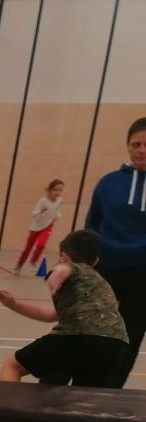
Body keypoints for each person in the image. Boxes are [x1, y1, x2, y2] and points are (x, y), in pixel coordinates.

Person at [0, 228, 128, 387]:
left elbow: (65, 269)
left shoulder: (70, 267)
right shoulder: (100, 282)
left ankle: (8, 403)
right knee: (86, 396)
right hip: (115, 344)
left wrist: (58, 273)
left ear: (63, 256)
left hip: (77, 337)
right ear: (96, 261)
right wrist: (13, 305)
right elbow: (51, 315)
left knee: (13, 366)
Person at [85, 118, 146, 387]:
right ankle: (84, 385)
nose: (142, 150)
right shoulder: (108, 183)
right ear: (128, 146)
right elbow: (92, 224)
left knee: (131, 333)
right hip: (106, 268)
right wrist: (82, 263)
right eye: (136, 144)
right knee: (92, 328)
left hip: (143, 274)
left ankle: (111, 391)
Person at [13, 179, 64, 274]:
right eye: (55, 190)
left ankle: (33, 262)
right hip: (36, 227)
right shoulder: (43, 200)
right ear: (50, 190)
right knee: (28, 248)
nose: (58, 192)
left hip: (48, 226)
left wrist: (57, 216)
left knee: (41, 244)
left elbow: (58, 211)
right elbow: (33, 214)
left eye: (60, 190)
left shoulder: (59, 200)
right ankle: (18, 266)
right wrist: (41, 211)